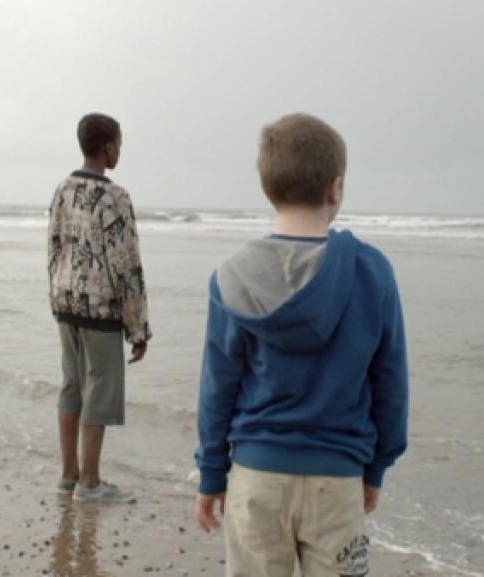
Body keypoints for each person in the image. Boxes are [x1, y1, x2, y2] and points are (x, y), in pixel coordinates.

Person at [193, 113, 409, 577]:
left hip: (257, 478)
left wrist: (212, 473)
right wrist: (377, 468)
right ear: (336, 189)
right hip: (338, 480)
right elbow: (391, 381)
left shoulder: (232, 277)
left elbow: (218, 386)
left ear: (268, 187)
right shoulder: (372, 272)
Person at [47, 112, 151, 502]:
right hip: (100, 308)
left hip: (65, 300)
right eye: (119, 143)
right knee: (100, 388)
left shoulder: (62, 189)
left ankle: (68, 475)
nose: (120, 150)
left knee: (72, 384)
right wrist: (138, 328)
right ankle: (90, 483)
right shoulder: (115, 197)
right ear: (107, 146)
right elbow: (126, 264)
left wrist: (56, 295)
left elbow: (54, 246)